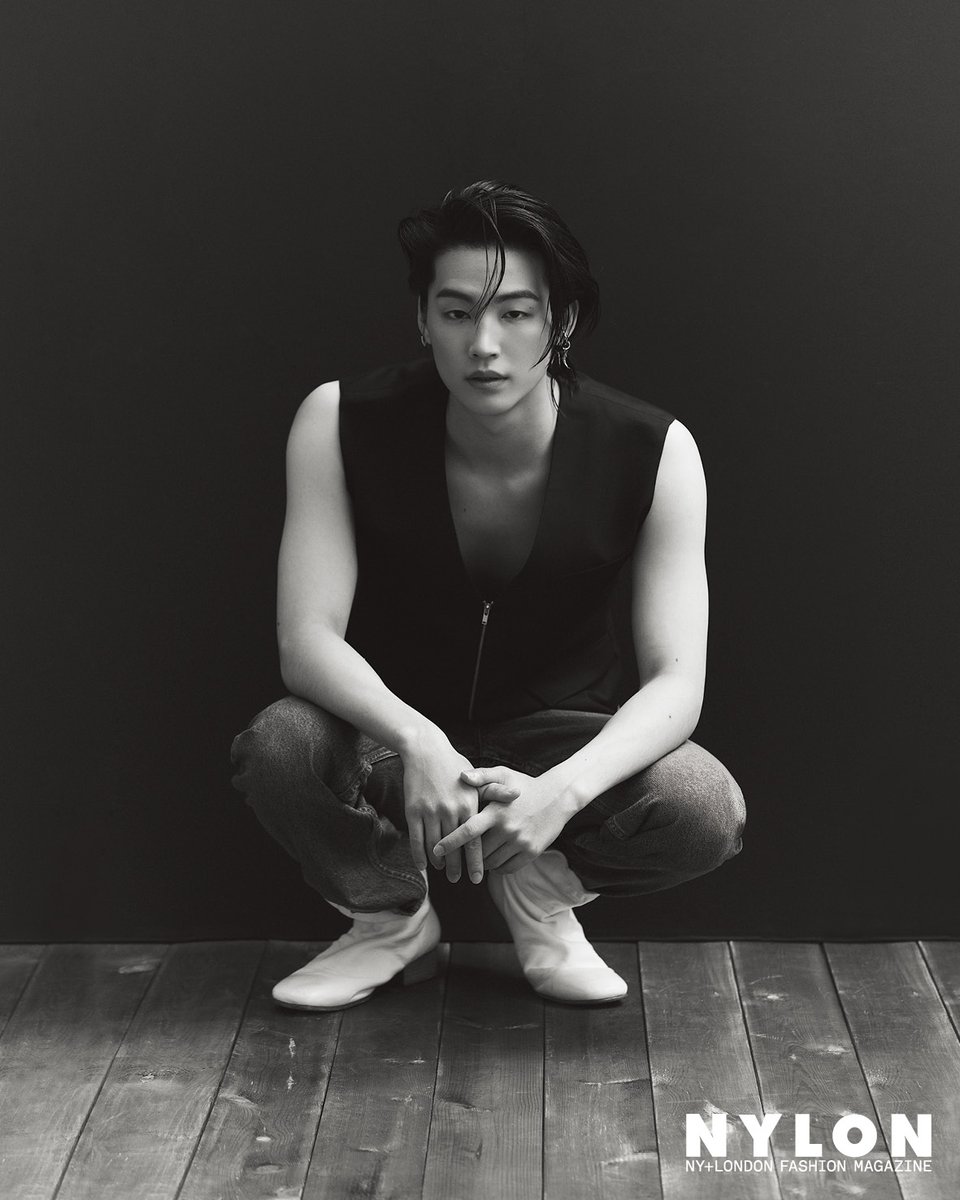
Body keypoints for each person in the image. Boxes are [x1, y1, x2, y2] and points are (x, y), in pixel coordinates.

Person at [230, 180, 746, 1010]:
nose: (484, 346)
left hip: (560, 736)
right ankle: (390, 918)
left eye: (516, 313)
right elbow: (307, 640)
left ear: (561, 322)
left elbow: (677, 683)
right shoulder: (338, 421)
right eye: (458, 312)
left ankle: (540, 895)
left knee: (703, 805)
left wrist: (559, 795)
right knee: (280, 746)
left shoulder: (654, 449)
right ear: (422, 319)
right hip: (390, 736)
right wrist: (418, 737)